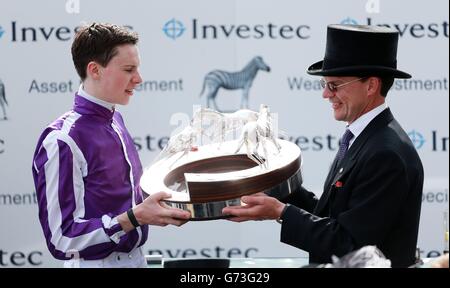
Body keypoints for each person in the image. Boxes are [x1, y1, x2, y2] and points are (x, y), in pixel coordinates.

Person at [223, 24, 424, 268]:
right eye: (325, 84)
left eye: (334, 85)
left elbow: (352, 246)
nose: (326, 95)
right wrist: (278, 186)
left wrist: (281, 213)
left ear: (371, 86)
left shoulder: (386, 152)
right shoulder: (365, 138)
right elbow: (332, 217)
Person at [32, 23, 191, 268]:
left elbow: (124, 196)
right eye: (129, 69)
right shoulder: (61, 139)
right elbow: (62, 240)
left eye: (137, 68)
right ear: (95, 70)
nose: (138, 79)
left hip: (137, 260)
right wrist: (133, 217)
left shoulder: (115, 118)